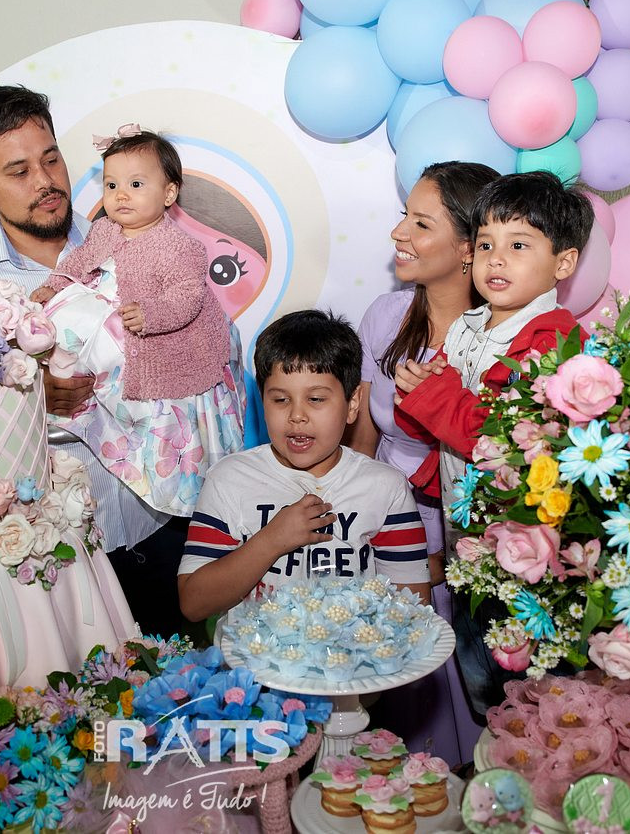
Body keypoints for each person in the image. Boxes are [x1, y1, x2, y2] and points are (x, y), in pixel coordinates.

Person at [0, 84, 184, 636]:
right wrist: (24, 391)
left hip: (161, 516)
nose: (45, 181)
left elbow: (207, 339)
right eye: (18, 171)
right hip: (56, 548)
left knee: (186, 680)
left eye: (51, 159)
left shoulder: (132, 234)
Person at [395, 170, 593, 713]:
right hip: (469, 534)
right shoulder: (469, 325)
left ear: (564, 263)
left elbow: (495, 436)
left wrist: (431, 396)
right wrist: (417, 392)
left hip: (528, 542)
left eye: (518, 245)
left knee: (535, 682)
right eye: (485, 244)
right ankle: (494, 741)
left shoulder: (553, 339)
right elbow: (440, 421)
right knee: (480, 667)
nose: (496, 260)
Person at [346, 161, 498, 768]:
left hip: (464, 531)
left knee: (468, 678)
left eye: (421, 223)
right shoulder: (385, 316)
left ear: (468, 249)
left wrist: (446, 557)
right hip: (386, 520)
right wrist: (356, 524)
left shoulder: (498, 340)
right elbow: (361, 437)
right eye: (403, 216)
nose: (398, 233)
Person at [29, 128, 243, 517]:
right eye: (111, 185)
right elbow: (78, 262)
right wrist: (54, 284)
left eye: (136, 184)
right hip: (106, 307)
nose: (121, 195)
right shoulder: (104, 229)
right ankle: (64, 383)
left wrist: (152, 314)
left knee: (128, 359)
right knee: (64, 320)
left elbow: (187, 297)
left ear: (169, 193)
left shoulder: (180, 247)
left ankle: (152, 456)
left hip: (147, 328)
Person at [177, 309, 430, 622]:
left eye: (316, 399)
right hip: (252, 655)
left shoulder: (385, 488)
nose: (297, 416)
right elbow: (194, 604)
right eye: (280, 400)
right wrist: (271, 540)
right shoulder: (228, 479)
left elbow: (414, 611)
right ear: (261, 401)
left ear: (353, 403)